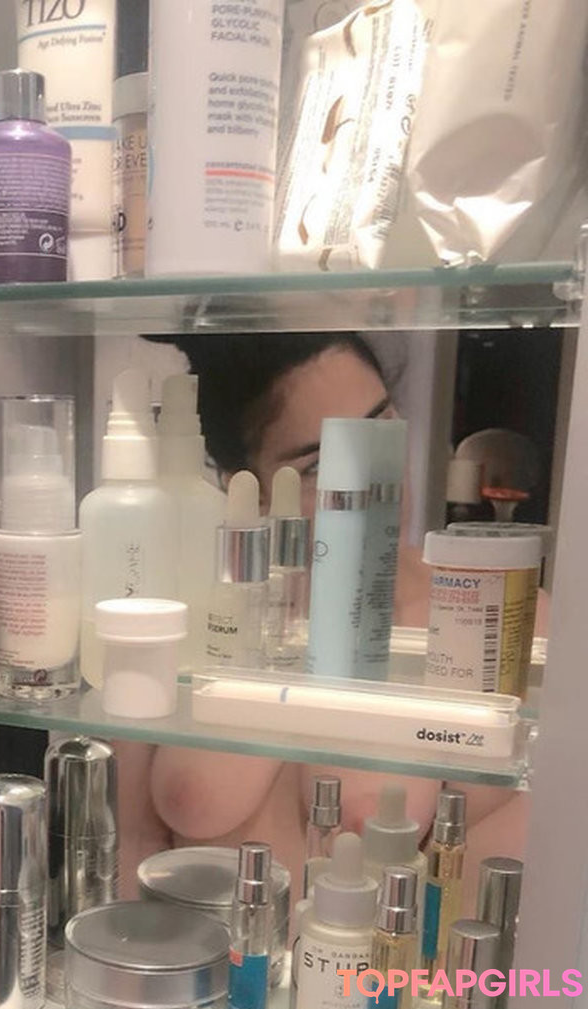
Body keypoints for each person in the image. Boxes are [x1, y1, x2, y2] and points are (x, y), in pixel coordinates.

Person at [115, 332, 532, 908]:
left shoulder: (497, 616)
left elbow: (508, 896)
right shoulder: (188, 614)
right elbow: (131, 842)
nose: (371, 481)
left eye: (380, 425)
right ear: (251, 487)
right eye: (319, 463)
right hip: (192, 958)